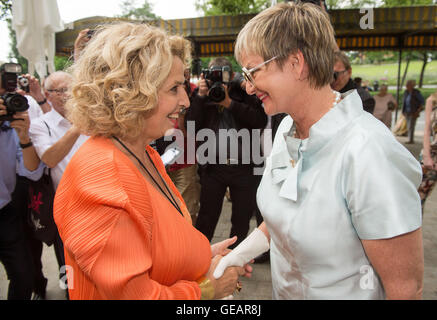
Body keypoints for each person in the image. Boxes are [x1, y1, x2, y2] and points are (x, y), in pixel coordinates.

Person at [214, 2, 424, 300]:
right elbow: (284, 218)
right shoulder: (285, 129)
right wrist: (240, 254)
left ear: (296, 63)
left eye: (252, 72)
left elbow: (405, 289)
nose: (247, 87)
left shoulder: (367, 150)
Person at [53, 22, 250, 300]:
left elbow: (151, 244)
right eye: (174, 89)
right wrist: (207, 290)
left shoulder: (144, 154)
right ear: (132, 92)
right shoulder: (100, 180)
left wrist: (200, 257)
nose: (185, 100)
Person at [186, 57, 267, 248]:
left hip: (245, 168)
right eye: (213, 74)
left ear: (231, 75)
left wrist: (230, 103)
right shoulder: (202, 94)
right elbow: (191, 127)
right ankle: (200, 257)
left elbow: (259, 121)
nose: (217, 79)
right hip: (213, 168)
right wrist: (200, 97)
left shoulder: (244, 92)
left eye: (221, 74)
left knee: (241, 219)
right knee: (207, 217)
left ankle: (233, 259)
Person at [0, 93, 45, 299]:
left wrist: (24, 137)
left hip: (5, 212)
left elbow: (32, 171)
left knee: (24, 275)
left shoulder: (9, 129)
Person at [418, 89, 437, 208]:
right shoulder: (432, 100)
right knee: (418, 196)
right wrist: (426, 154)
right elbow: (427, 129)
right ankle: (416, 226)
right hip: (432, 153)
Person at [402, 79, 425, 144]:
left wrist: (418, 111)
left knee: (411, 126)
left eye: (408, 84)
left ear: (412, 85)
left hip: (413, 112)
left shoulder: (416, 92)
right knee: (408, 126)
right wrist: (403, 111)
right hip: (407, 111)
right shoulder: (406, 92)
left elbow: (422, 102)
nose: (406, 86)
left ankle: (410, 139)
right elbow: (404, 102)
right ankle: (410, 138)